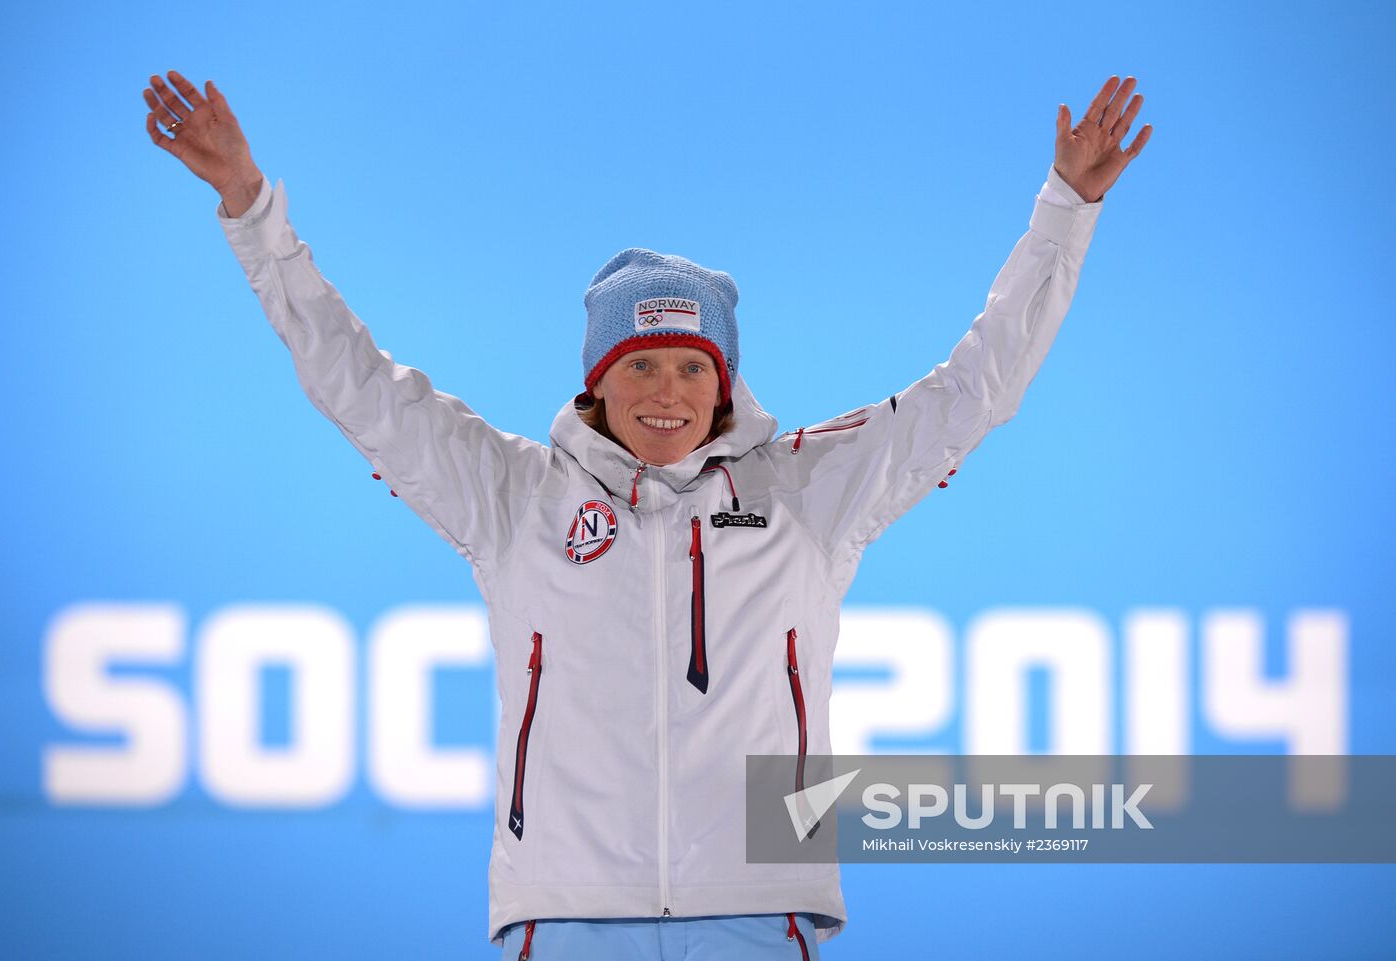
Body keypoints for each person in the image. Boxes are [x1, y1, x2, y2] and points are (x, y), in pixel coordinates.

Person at [144, 70, 1150, 960]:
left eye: (691, 367)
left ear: (724, 385)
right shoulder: (513, 497)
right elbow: (358, 384)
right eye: (639, 365)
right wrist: (251, 210)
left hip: (760, 911)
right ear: (597, 381)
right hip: (566, 913)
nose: (666, 392)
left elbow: (974, 388)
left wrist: (1066, 210)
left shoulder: (804, 492)